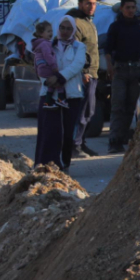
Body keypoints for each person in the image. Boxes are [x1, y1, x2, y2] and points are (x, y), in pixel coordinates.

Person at [33, 17, 88, 170]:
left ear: (73, 31)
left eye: (68, 29)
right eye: (62, 28)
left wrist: (59, 77)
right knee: (49, 130)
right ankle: (44, 165)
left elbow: (77, 65)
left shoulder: (79, 47)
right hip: (50, 93)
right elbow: (39, 64)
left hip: (71, 94)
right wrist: (47, 80)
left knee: (68, 131)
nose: (65, 31)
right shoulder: (47, 44)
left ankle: (64, 165)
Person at [101, 0, 140, 152]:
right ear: (121, 9)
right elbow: (108, 49)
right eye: (128, 7)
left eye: (133, 7)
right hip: (120, 70)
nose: (131, 10)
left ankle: (123, 138)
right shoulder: (115, 27)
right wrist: (110, 66)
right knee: (117, 106)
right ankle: (114, 141)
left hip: (137, 70)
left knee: (131, 107)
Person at [65, 0, 101, 163]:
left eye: (94, 3)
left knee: (89, 111)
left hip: (92, 73)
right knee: (82, 110)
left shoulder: (88, 21)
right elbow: (74, 51)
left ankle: (81, 142)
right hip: (83, 74)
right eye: (88, 3)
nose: (92, 7)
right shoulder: (76, 23)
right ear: (80, 3)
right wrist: (83, 71)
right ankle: (75, 145)